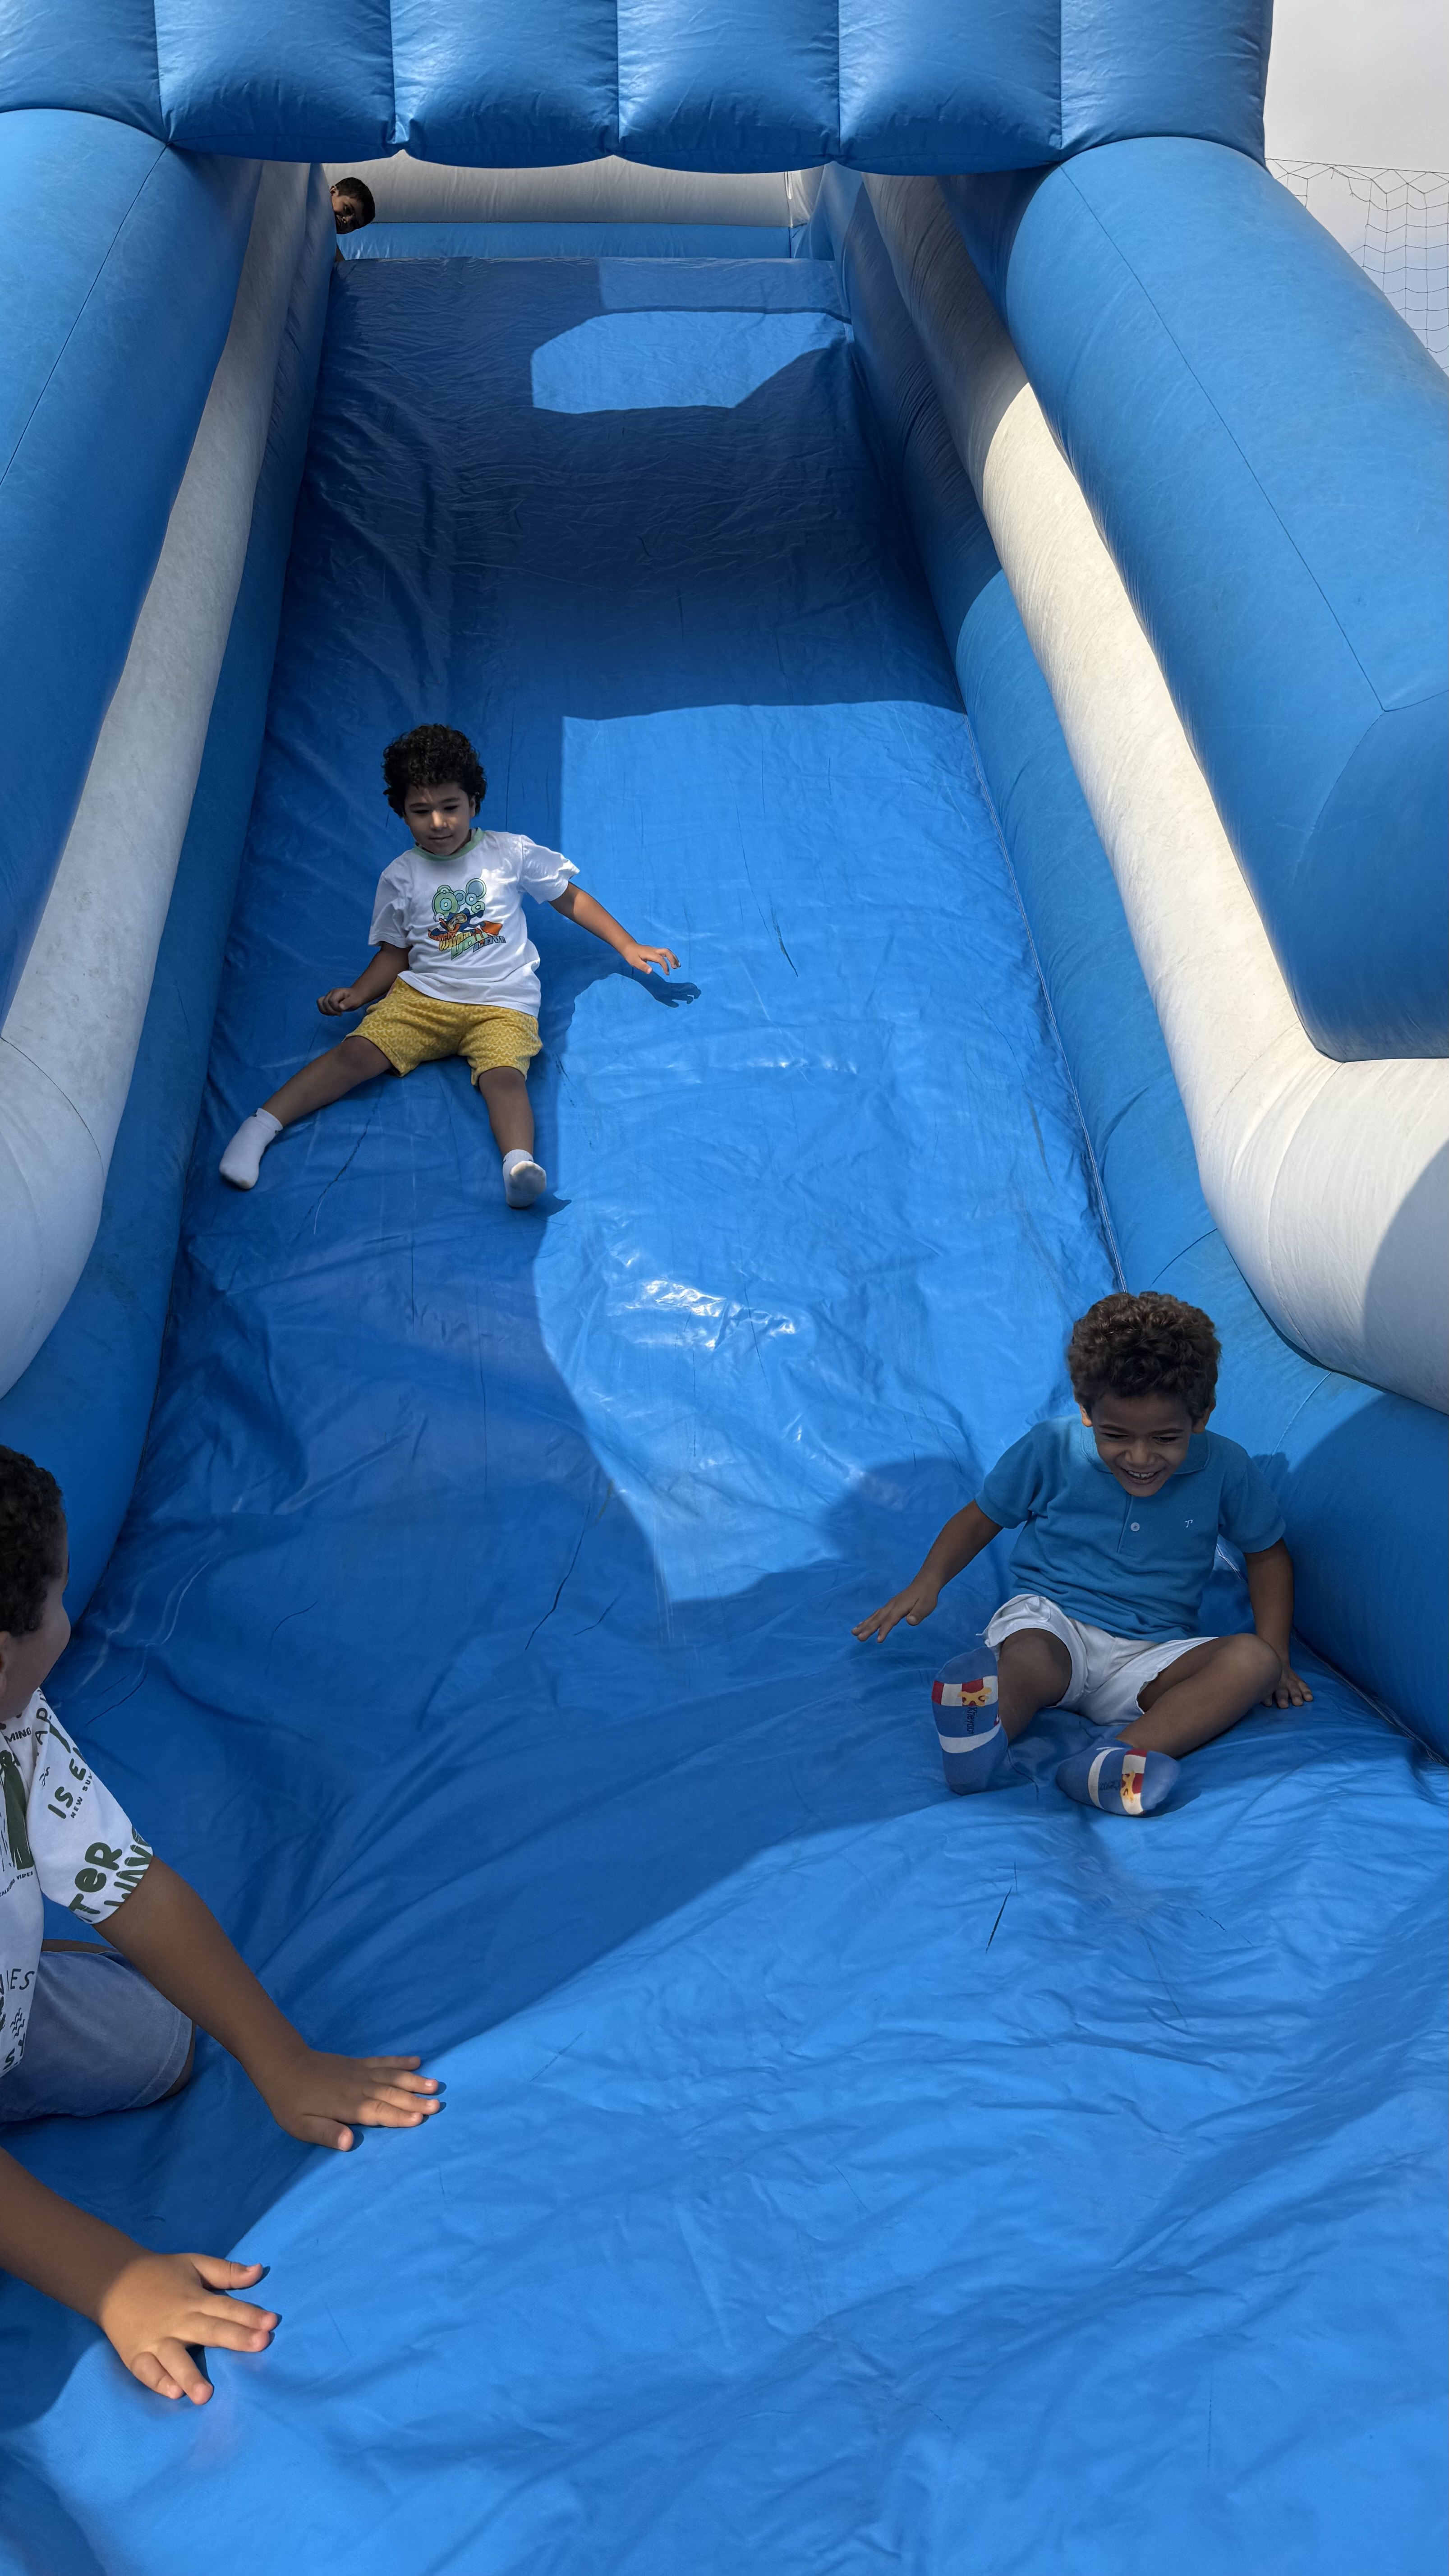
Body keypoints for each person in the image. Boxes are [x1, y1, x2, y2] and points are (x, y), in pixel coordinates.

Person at [0, 1447, 442, 2404]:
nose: (66, 1619)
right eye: (61, 1597)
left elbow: (133, 1889)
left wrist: (281, 2059)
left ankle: (34, 1980)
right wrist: (114, 2277)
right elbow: (110, 2278)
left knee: (158, 2044)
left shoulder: (12, 1726)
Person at [853, 1291, 1311, 1816]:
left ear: (1202, 1416)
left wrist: (1278, 1655)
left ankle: (1107, 1762)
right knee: (1029, 1657)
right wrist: (928, 1581)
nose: (1141, 1457)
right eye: (1117, 1435)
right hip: (1056, 1622)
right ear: (1085, 1408)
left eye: (1166, 1438)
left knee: (1252, 1661)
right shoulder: (1050, 1448)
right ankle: (982, 1740)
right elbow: (982, 1516)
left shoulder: (1225, 1467)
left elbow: (1267, 1554)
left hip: (1151, 1652)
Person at [221, 724, 678, 1206]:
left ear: (473, 803)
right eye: (421, 811)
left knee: (504, 1077)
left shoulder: (509, 853)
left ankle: (518, 1167)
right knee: (354, 1055)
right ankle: (260, 1127)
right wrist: (359, 993)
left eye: (450, 807)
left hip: (503, 1004)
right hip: (425, 1000)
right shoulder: (401, 876)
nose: (438, 823)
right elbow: (395, 953)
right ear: (402, 813)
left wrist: (626, 945)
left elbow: (570, 898)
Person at [330, 176, 376, 240]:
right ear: (333, 192)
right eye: (348, 210)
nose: (347, 221)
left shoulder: (329, 245)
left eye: (354, 224)